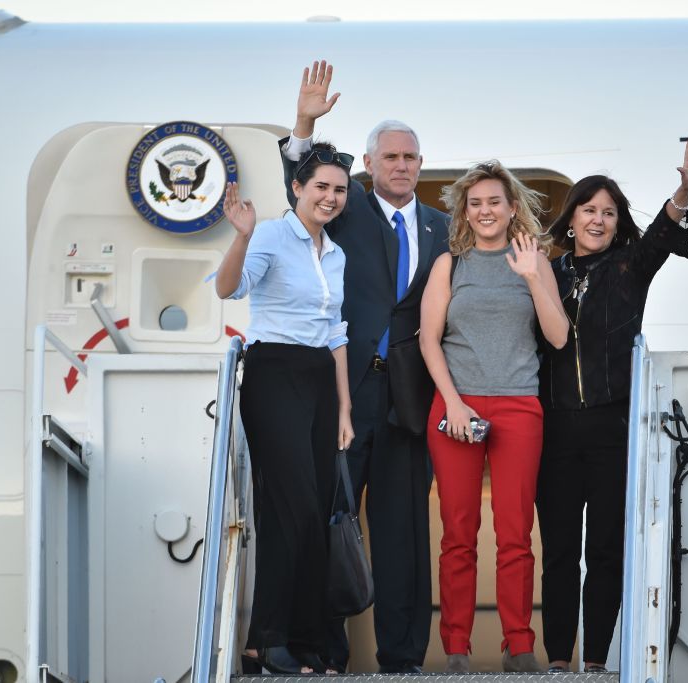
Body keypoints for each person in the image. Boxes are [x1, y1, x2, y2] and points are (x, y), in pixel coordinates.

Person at [277, 61, 451, 674]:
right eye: (390, 157)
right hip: (346, 392)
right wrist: (304, 122)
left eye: (411, 157)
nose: (401, 165)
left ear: (419, 166)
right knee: (331, 517)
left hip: (412, 397)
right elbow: (296, 179)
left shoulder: (443, 227)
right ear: (369, 165)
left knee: (405, 532)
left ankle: (402, 658)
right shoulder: (343, 208)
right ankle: (323, 652)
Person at [535, 137, 688, 673]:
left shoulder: (630, 267)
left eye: (608, 212)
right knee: (561, 550)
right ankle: (560, 658)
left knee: (605, 550)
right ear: (571, 219)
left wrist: (685, 190)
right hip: (557, 426)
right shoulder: (548, 273)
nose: (599, 219)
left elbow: (661, 233)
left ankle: (595, 661)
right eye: (589, 209)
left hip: (614, 424)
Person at [418, 160, 569, 673]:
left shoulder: (535, 259)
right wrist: (454, 403)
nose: (485, 210)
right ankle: (456, 648)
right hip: (456, 406)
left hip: (518, 405)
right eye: (475, 202)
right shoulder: (450, 264)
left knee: (515, 533)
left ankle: (519, 646)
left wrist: (530, 278)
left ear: (511, 209)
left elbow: (557, 336)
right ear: (465, 210)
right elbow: (428, 341)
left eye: (494, 202)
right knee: (457, 532)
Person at [215, 142, 356, 675]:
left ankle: (302, 641)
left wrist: (343, 407)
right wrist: (242, 236)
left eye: (339, 189)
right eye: (320, 186)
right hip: (274, 374)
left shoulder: (336, 253)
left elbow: (336, 334)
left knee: (315, 511)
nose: (330, 197)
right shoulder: (271, 234)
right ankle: (266, 640)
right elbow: (230, 289)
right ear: (297, 187)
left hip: (321, 380)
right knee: (288, 508)